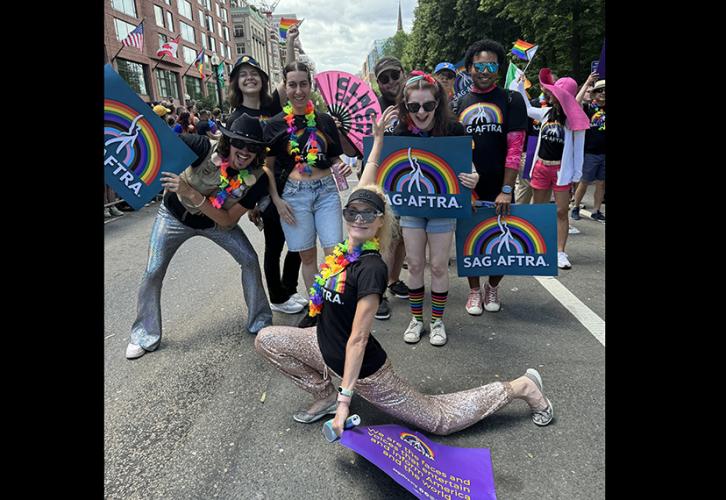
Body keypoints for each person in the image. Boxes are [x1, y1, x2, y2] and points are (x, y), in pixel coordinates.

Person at [254, 184, 554, 436]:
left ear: (380, 220)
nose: (359, 219)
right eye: (352, 212)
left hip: (366, 373)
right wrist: (379, 140)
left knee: (439, 420)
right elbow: (369, 178)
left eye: (368, 214)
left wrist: (347, 402)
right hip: (321, 344)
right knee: (267, 339)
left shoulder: (370, 269)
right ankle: (324, 396)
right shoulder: (346, 251)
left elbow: (358, 339)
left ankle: (520, 387)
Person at [125, 114, 273, 359]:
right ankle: (144, 334)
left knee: (248, 259)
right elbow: (157, 142)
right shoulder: (202, 146)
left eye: (253, 147)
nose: (245, 152)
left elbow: (226, 220)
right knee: (153, 269)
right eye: (239, 143)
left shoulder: (256, 179)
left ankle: (261, 322)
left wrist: (193, 195)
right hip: (173, 216)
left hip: (214, 223)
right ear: (228, 141)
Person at [360, 71, 479, 346]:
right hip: (411, 209)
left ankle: (437, 321)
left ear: (438, 103)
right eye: (414, 106)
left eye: (428, 105)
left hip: (443, 208)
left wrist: (474, 177)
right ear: (405, 106)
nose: (421, 112)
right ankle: (416, 319)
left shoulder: (454, 129)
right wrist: (378, 136)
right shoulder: (398, 132)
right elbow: (376, 168)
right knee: (414, 264)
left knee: (438, 266)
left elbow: (468, 165)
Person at [262, 61, 352, 328]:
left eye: (303, 84)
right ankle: (318, 308)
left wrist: (340, 165)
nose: (298, 90)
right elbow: (267, 169)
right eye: (293, 85)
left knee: (335, 252)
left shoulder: (323, 120)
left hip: (325, 192)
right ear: (285, 87)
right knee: (307, 257)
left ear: (310, 86)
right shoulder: (275, 125)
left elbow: (334, 156)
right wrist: (277, 201)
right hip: (294, 196)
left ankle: (337, 306)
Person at [226, 54, 306, 315]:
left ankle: (289, 289)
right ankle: (277, 296)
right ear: (236, 83)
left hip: (290, 182)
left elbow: (291, 74)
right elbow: (234, 163)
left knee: (299, 238)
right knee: (275, 243)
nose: (250, 78)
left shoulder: (273, 106)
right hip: (261, 187)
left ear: (262, 79)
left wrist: (291, 43)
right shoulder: (235, 117)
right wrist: (249, 202)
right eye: (243, 74)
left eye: (254, 73)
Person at [453, 39, 528, 315]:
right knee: (470, 238)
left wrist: (507, 189)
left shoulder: (512, 99)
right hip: (468, 185)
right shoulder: (459, 102)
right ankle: (474, 290)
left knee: (501, 238)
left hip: (500, 183)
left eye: (491, 65)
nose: (485, 71)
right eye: (479, 65)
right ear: (469, 68)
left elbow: (515, 147)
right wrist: (465, 192)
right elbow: (455, 149)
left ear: (498, 68)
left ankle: (492, 286)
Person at [514, 68, 589, 270]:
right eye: (554, 94)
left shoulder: (576, 119)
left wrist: (576, 176)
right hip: (540, 167)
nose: (555, 98)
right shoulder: (547, 112)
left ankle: (560, 252)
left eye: (559, 95)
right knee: (540, 210)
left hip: (561, 172)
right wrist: (520, 85)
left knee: (561, 211)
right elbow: (528, 109)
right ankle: (539, 247)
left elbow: (579, 151)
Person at [368, 56, 410, 319]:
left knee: (404, 234)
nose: (391, 82)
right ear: (378, 82)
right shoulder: (370, 107)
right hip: (381, 181)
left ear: (402, 73)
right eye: (384, 78)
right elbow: (353, 147)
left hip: (409, 180)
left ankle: (393, 280)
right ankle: (378, 291)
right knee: (382, 238)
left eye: (395, 75)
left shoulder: (416, 100)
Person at [572, 75, 605, 223]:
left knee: (601, 183)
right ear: (594, 93)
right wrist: (586, 83)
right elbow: (575, 102)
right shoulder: (588, 107)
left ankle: (597, 210)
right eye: (599, 91)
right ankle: (575, 207)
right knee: (584, 181)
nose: (603, 93)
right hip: (590, 152)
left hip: (604, 153)